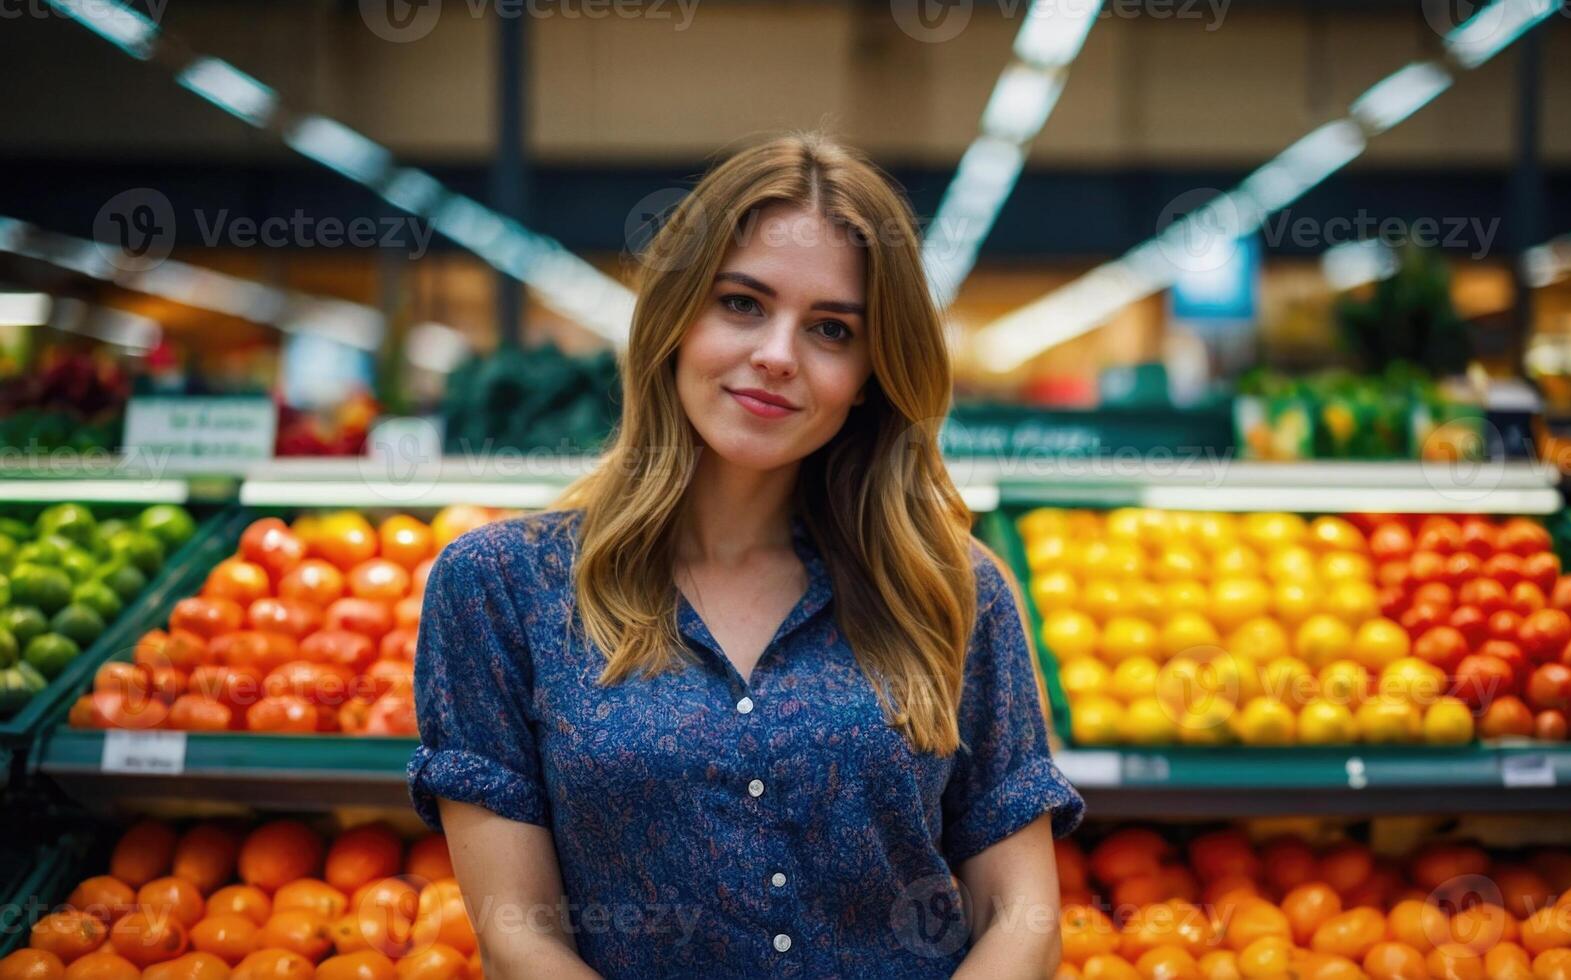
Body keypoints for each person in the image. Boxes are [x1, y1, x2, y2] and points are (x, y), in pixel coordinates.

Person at [409, 133, 1084, 979]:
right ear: (676, 316)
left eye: (831, 329)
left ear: (872, 372)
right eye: (741, 303)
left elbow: (1022, 919)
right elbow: (519, 940)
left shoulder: (952, 591)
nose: (776, 355)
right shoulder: (502, 589)